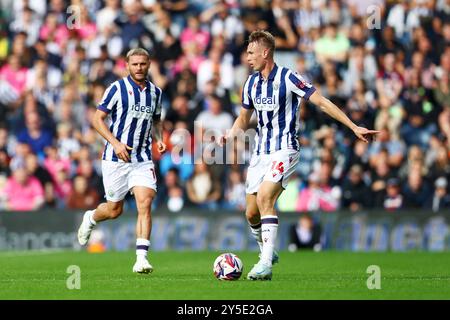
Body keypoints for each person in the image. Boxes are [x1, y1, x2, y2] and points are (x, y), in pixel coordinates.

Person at [221, 30, 379, 280]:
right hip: (261, 153)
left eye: (251, 52)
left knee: (265, 198)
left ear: (266, 52)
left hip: (285, 148)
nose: (247, 57)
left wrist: (353, 126)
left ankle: (265, 265)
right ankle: (267, 251)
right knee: (251, 213)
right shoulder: (250, 83)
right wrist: (231, 134)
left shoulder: (289, 78)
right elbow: (243, 118)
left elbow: (323, 103)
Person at [77, 48, 167, 274]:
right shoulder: (116, 89)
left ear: (148, 65)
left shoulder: (156, 92)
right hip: (115, 159)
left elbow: (156, 121)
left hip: (142, 158)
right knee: (114, 210)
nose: (139, 68)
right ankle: (91, 217)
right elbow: (97, 120)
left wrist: (159, 139)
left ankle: (141, 259)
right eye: (134, 64)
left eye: (143, 64)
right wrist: (115, 143)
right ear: (127, 65)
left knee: (145, 202)